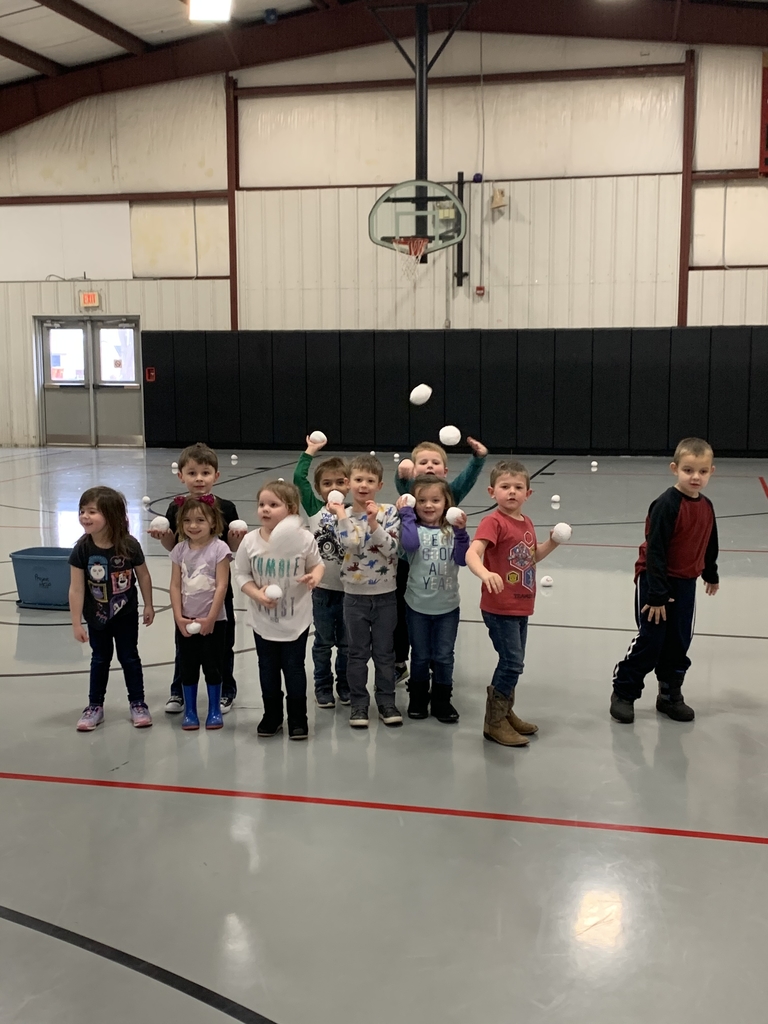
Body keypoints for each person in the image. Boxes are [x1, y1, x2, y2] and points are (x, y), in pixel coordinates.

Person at [610, 437, 719, 725]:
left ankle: (670, 694)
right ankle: (624, 690)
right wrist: (656, 594)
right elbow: (656, 549)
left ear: (711, 472)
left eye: (702, 471)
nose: (695, 477)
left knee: (679, 640)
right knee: (652, 639)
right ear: (675, 469)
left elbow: (709, 541)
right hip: (655, 580)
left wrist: (710, 572)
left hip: (685, 582)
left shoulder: (706, 506)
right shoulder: (666, 504)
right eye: (688, 470)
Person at [465, 460, 561, 746]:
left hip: (521, 605)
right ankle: (494, 722)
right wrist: (485, 573)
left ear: (528, 494)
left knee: (514, 662)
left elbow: (530, 558)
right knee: (512, 662)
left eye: (518, 488)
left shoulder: (526, 522)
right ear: (492, 491)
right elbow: (473, 553)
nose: (511, 492)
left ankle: (505, 713)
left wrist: (552, 542)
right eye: (505, 487)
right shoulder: (492, 522)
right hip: (499, 607)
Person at [150, 442, 246, 715]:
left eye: (205, 473)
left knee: (223, 644)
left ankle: (226, 690)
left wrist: (236, 539)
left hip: (217, 590)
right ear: (181, 476)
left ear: (216, 475)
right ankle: (178, 691)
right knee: (185, 645)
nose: (199, 479)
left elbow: (229, 550)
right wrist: (162, 536)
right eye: (192, 473)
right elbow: (174, 548)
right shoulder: (175, 508)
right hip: (188, 593)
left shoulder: (227, 508)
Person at [393, 437, 488, 685]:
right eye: (423, 462)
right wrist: (401, 476)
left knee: (434, 617)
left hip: (438, 565)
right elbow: (403, 487)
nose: (429, 466)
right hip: (408, 563)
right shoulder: (413, 494)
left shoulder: (449, 494)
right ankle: (400, 662)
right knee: (404, 615)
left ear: (445, 471)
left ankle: (435, 665)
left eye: (435, 462)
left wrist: (478, 459)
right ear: (414, 469)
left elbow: (466, 481)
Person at [233, 481, 324, 740]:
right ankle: (271, 715)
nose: (265, 509)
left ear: (292, 510)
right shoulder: (250, 541)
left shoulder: (305, 539)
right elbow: (241, 573)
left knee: (294, 668)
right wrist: (256, 595)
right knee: (267, 668)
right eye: (262, 504)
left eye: (274, 505)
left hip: (296, 620)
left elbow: (317, 566)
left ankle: (298, 718)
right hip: (263, 621)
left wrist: (314, 578)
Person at [69, 486, 155, 731]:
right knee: (99, 659)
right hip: (96, 617)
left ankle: (138, 703)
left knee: (129, 657)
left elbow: (144, 576)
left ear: (112, 515)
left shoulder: (129, 545)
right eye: (82, 510)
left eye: (92, 511)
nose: (85, 516)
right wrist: (76, 622)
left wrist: (149, 604)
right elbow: (76, 588)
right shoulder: (82, 549)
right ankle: (95, 706)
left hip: (125, 613)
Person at [327, 454, 401, 728]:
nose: (363, 485)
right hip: (354, 597)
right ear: (348, 483)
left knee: (384, 653)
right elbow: (351, 545)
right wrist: (345, 515)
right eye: (358, 480)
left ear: (379, 485)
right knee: (357, 653)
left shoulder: (389, 512)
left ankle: (386, 702)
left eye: (370, 480)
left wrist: (373, 524)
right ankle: (359, 704)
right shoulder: (341, 514)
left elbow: (392, 548)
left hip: (385, 596)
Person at [397, 475, 469, 723]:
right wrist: (406, 514)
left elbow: (461, 560)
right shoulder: (412, 529)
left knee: (444, 655)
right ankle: (418, 697)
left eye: (436, 500)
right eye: (422, 500)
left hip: (448, 607)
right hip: (417, 606)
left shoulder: (451, 530)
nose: (429, 505)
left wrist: (461, 533)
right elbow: (409, 544)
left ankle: (442, 699)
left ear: (446, 502)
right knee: (420, 654)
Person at [293, 434, 350, 708]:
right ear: (318, 488)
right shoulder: (314, 508)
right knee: (324, 643)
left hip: (351, 591)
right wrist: (310, 452)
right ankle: (323, 686)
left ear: (348, 485)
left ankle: (346, 685)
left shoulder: (354, 511)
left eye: (340, 482)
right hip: (322, 591)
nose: (334, 487)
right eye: (327, 483)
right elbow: (298, 480)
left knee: (348, 645)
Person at [169, 495, 232, 731]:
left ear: (213, 523)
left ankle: (214, 710)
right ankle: (191, 711)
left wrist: (211, 618)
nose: (193, 526)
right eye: (187, 520)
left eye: (199, 520)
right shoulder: (179, 550)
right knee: (188, 666)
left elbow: (222, 586)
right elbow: (175, 585)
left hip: (214, 621)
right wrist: (178, 617)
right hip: (186, 620)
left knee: (213, 665)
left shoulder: (220, 549)